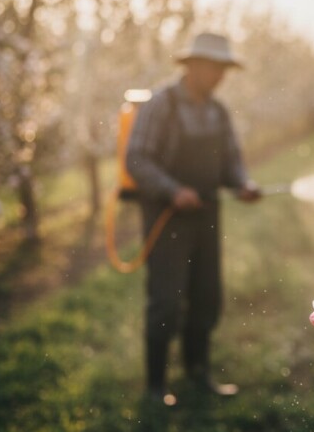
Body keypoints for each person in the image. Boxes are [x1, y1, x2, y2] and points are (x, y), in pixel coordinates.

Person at [126, 32, 261, 404]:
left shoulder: (217, 111)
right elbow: (136, 158)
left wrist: (242, 184)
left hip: (207, 215)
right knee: (166, 301)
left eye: (224, 69)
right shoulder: (161, 105)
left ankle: (197, 372)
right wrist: (172, 190)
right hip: (167, 217)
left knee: (206, 298)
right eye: (215, 68)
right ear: (193, 66)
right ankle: (155, 387)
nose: (220, 75)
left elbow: (230, 159)